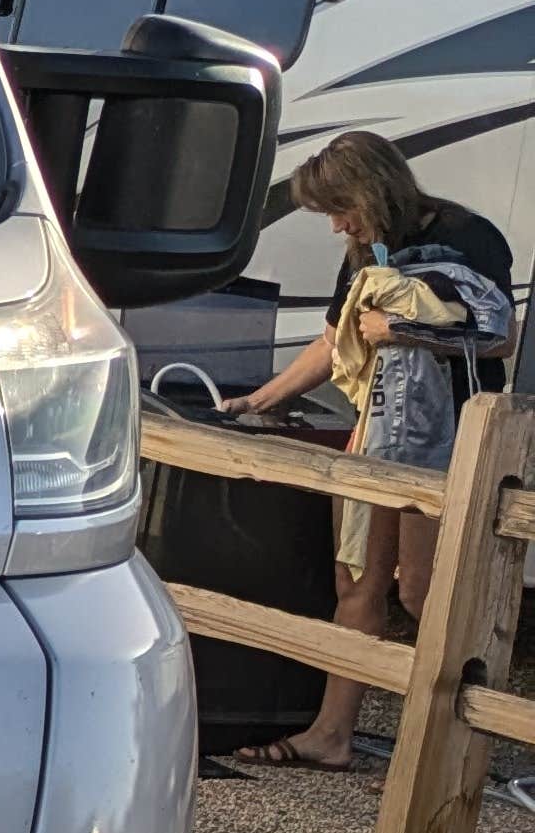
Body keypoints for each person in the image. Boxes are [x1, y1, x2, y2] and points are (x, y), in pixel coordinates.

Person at [218, 134, 515, 771]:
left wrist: (403, 329)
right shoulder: (362, 252)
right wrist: (258, 398)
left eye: (339, 207)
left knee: (425, 593)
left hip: (446, 440)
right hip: (372, 431)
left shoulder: (470, 236)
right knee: (354, 581)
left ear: (371, 191)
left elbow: (497, 337)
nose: (336, 225)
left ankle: (442, 752)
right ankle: (332, 735)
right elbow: (334, 342)